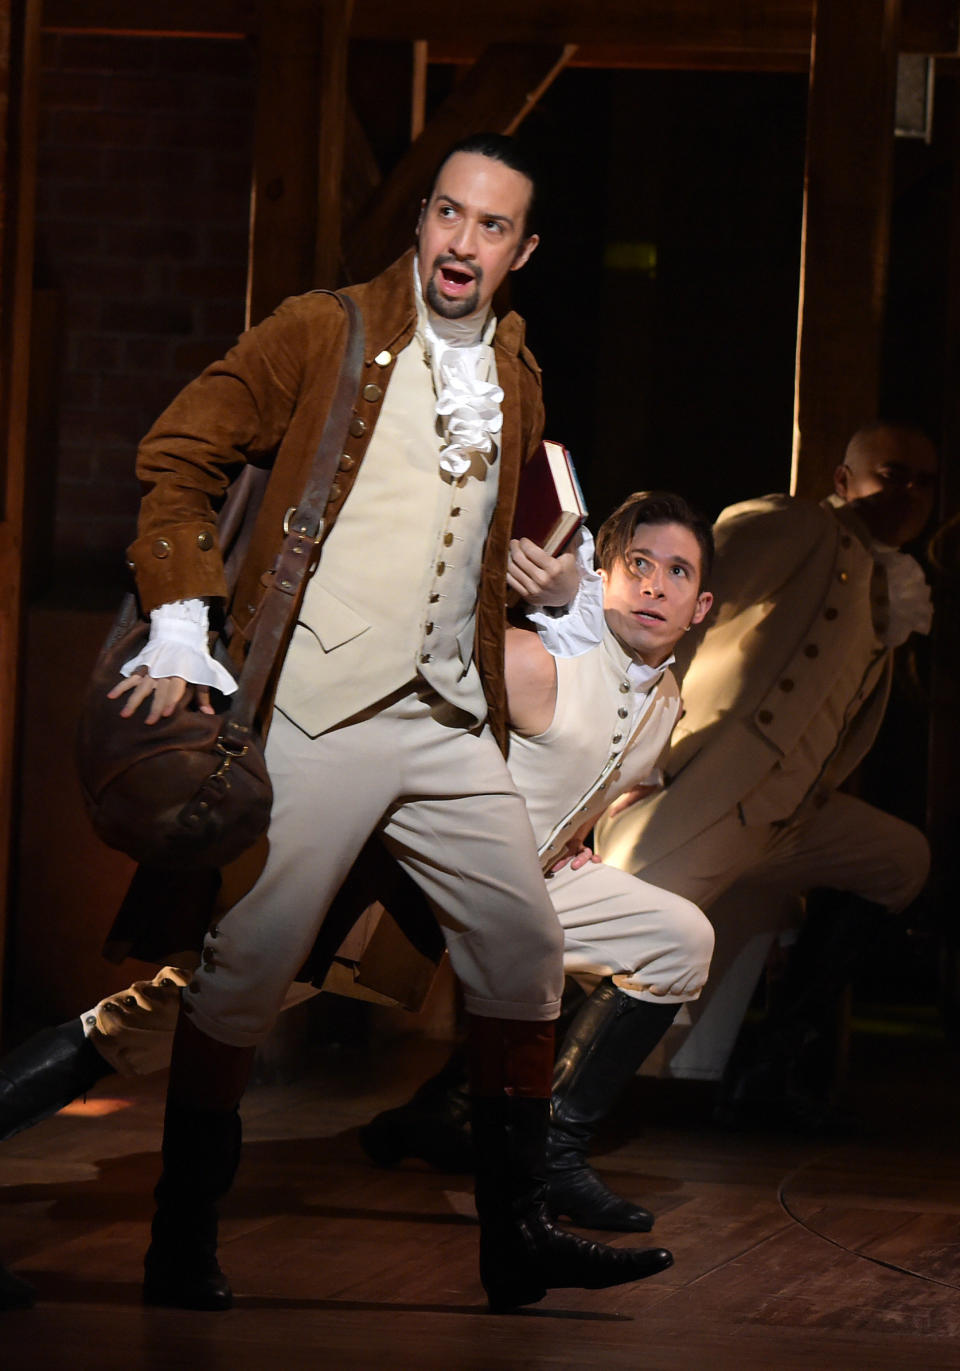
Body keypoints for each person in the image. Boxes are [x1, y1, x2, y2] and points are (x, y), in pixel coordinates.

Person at [85, 132, 672, 1314]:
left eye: (491, 226)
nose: (463, 243)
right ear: (422, 222)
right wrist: (185, 623)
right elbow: (180, 451)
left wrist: (528, 585)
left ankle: (515, 1241)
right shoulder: (326, 328)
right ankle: (179, 1240)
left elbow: (463, 550)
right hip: (323, 706)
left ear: (524, 248)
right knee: (245, 969)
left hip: (451, 715)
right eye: (448, 216)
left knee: (523, 952)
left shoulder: (516, 373)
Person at [0, 494, 715, 1284]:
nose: (654, 586)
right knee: (170, 1014)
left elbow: (614, 777)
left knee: (677, 937)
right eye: (637, 566)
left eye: (676, 572)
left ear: (701, 604)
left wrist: (576, 837)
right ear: (597, 578)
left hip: (527, 891)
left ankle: (555, 1155)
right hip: (395, 893)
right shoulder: (528, 658)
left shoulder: (667, 697)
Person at [595, 423, 937, 1111]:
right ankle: (481, 1102)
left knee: (901, 859)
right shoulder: (795, 526)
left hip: (790, 814)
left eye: (924, 484)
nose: (908, 494)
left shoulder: (889, 581)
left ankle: (769, 1063)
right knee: (609, 939)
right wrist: (623, 756)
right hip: (716, 790)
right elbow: (669, 620)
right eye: (891, 474)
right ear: (843, 482)